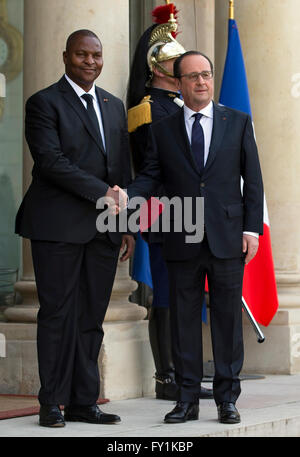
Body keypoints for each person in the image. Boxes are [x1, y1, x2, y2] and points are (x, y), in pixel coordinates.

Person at [127, 50, 264, 424]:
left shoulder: (236, 121)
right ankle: (186, 399)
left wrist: (251, 229)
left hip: (227, 238)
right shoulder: (162, 128)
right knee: (183, 320)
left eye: (206, 75)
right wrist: (128, 197)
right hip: (181, 236)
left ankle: (227, 398)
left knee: (225, 320)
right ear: (179, 82)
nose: (201, 82)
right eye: (192, 76)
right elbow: (150, 176)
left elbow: (253, 181)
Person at [15, 29, 134, 427]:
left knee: (91, 317)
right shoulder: (44, 103)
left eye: (96, 55)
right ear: (65, 56)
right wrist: (104, 193)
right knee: (57, 314)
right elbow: (50, 162)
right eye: (82, 54)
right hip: (58, 226)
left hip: (104, 229)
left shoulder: (114, 106)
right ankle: (51, 401)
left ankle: (85, 401)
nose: (90, 61)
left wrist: (127, 222)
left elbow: (121, 169)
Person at [127, 4, 213, 401]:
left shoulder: (183, 108)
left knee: (190, 296)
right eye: (179, 64)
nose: (188, 73)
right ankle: (168, 376)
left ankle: (188, 370)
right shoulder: (148, 110)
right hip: (166, 215)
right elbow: (153, 170)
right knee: (165, 294)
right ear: (160, 69)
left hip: (195, 215)